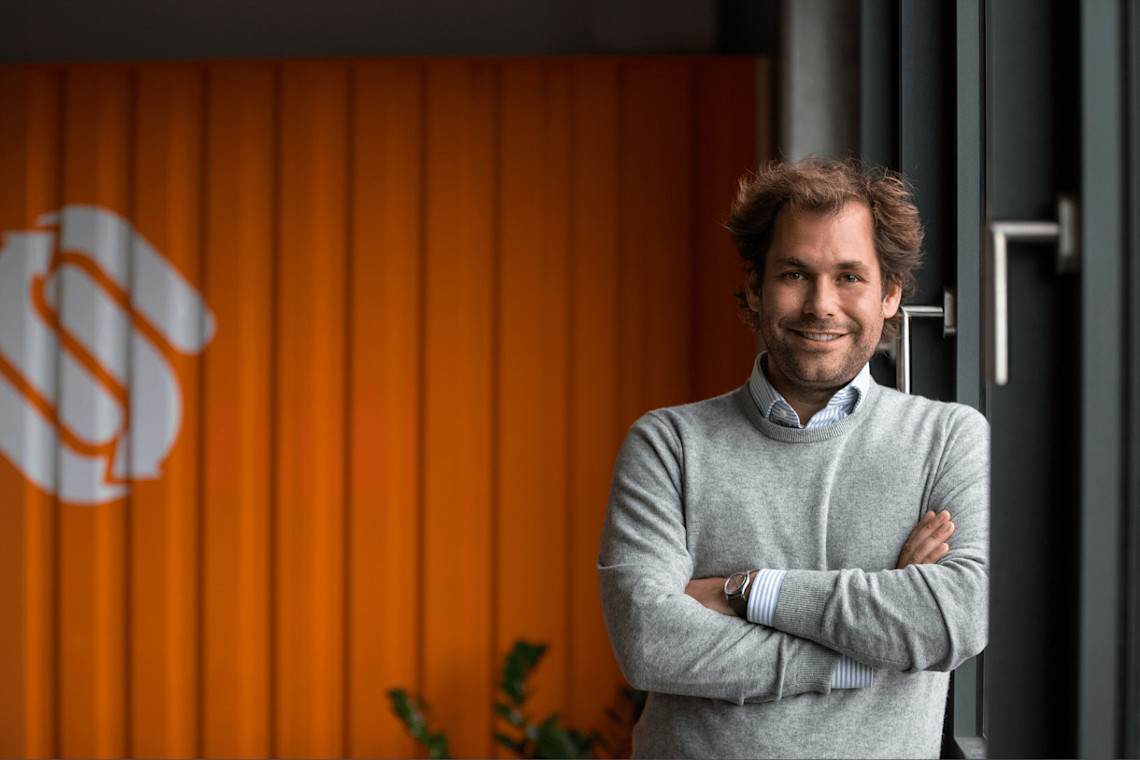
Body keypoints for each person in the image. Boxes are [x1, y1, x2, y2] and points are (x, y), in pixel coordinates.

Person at [597, 157, 989, 759]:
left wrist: (748, 591)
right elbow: (649, 642)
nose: (821, 304)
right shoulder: (667, 445)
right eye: (795, 274)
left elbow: (952, 621)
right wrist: (863, 654)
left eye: (850, 276)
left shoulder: (949, 439)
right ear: (755, 287)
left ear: (889, 294)